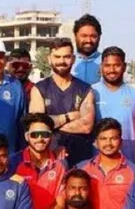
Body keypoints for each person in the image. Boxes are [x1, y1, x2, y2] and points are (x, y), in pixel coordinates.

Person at [28, 37, 96, 165]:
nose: (62, 61)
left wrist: (50, 124)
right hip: (49, 159)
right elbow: (37, 127)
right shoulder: (39, 89)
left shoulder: (85, 89)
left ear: (73, 59)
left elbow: (86, 126)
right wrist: (68, 116)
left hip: (81, 158)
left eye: (66, 57)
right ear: (49, 59)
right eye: (57, 57)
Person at [78, 118, 135, 209]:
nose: (108, 143)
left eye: (113, 138)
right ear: (96, 143)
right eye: (103, 139)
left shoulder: (134, 171)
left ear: (121, 142)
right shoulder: (82, 168)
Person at [91, 46, 135, 163]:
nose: (112, 70)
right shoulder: (91, 93)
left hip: (127, 162)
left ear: (124, 67)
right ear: (101, 67)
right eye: (107, 65)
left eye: (116, 65)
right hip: (96, 162)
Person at [71, 13, 102, 85]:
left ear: (99, 36)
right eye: (84, 36)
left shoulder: (107, 63)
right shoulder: (67, 62)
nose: (88, 40)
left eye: (93, 36)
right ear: (75, 36)